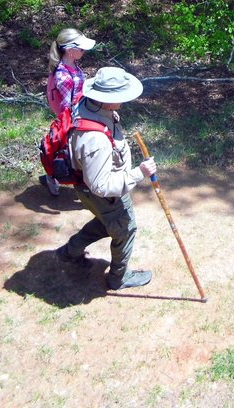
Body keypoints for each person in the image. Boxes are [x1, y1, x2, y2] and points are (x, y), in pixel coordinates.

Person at [54, 66, 157, 290]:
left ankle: (69, 252)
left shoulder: (86, 106)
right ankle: (119, 278)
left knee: (105, 222)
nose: (124, 101)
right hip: (104, 195)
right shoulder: (95, 139)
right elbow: (101, 185)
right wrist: (140, 173)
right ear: (108, 99)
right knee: (125, 227)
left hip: (85, 190)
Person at [40, 28, 96, 197]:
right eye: (81, 48)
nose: (84, 51)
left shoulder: (72, 65)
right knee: (65, 152)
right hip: (71, 119)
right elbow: (67, 106)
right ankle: (53, 177)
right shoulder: (63, 76)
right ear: (71, 51)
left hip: (78, 114)